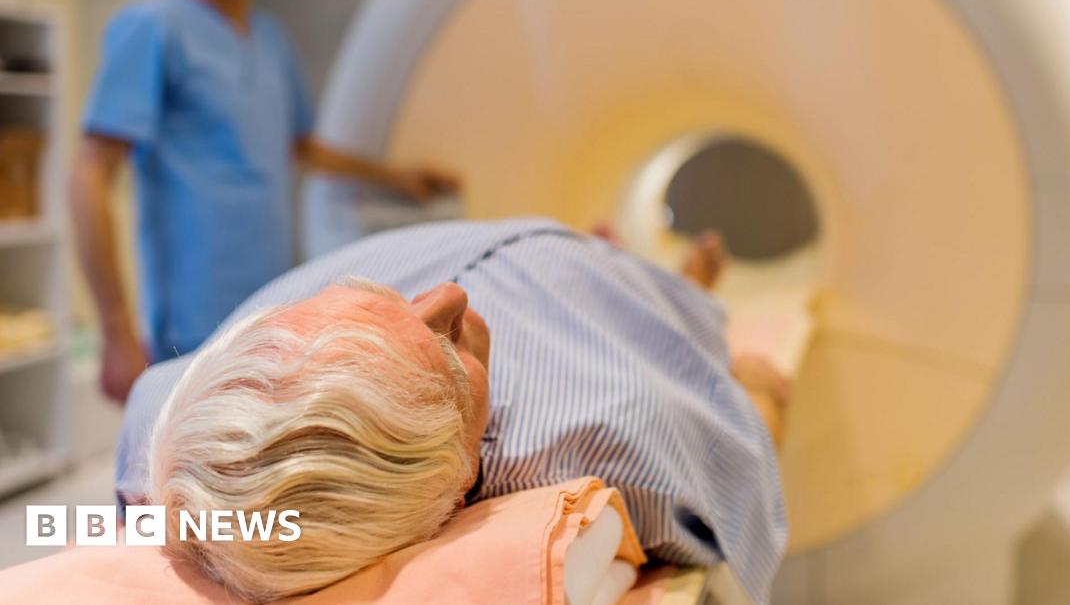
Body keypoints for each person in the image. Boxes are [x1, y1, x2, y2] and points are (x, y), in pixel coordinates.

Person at [118, 217, 790, 603]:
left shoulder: (159, 410)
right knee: (679, 327)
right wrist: (760, 389)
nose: (447, 297)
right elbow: (742, 459)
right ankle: (682, 286)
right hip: (592, 295)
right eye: (446, 350)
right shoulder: (613, 445)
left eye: (387, 301)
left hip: (489, 237)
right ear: (457, 477)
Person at [69, 0, 457, 405]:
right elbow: (89, 175)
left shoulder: (270, 40)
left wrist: (395, 177)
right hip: (190, 329)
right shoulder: (154, 28)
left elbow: (302, 147)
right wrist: (115, 329)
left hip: (271, 311)